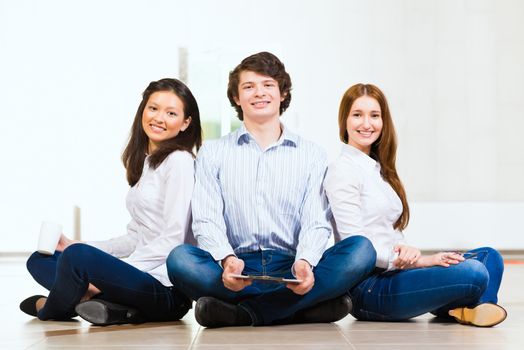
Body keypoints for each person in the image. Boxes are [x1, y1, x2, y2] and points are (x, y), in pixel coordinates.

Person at [167, 52, 376, 328]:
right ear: (236, 98)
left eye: (267, 85)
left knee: (361, 250)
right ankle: (299, 309)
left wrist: (305, 262)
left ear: (283, 93)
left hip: (291, 268)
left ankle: (246, 313)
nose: (259, 93)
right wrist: (227, 260)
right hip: (235, 270)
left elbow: (316, 221)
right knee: (180, 259)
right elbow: (206, 219)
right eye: (248, 86)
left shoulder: (312, 154)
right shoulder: (213, 153)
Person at [20, 78, 202, 326]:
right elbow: (135, 238)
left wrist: (108, 271)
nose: (159, 118)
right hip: (137, 277)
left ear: (185, 123)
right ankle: (110, 306)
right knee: (41, 259)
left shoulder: (179, 161)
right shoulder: (146, 163)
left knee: (78, 259)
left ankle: (50, 307)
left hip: (164, 289)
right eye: (153, 108)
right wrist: (79, 245)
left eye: (171, 113)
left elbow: (173, 239)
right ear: (143, 111)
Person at [323, 83, 506, 327]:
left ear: (383, 121)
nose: (366, 124)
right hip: (369, 288)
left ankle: (466, 310)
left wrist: (409, 253)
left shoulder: (379, 171)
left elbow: (391, 233)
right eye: (357, 115)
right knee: (474, 272)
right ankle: (472, 305)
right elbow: (355, 248)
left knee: (489, 257)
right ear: (344, 120)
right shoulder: (342, 171)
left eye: (374, 116)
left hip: (399, 274)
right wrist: (421, 261)